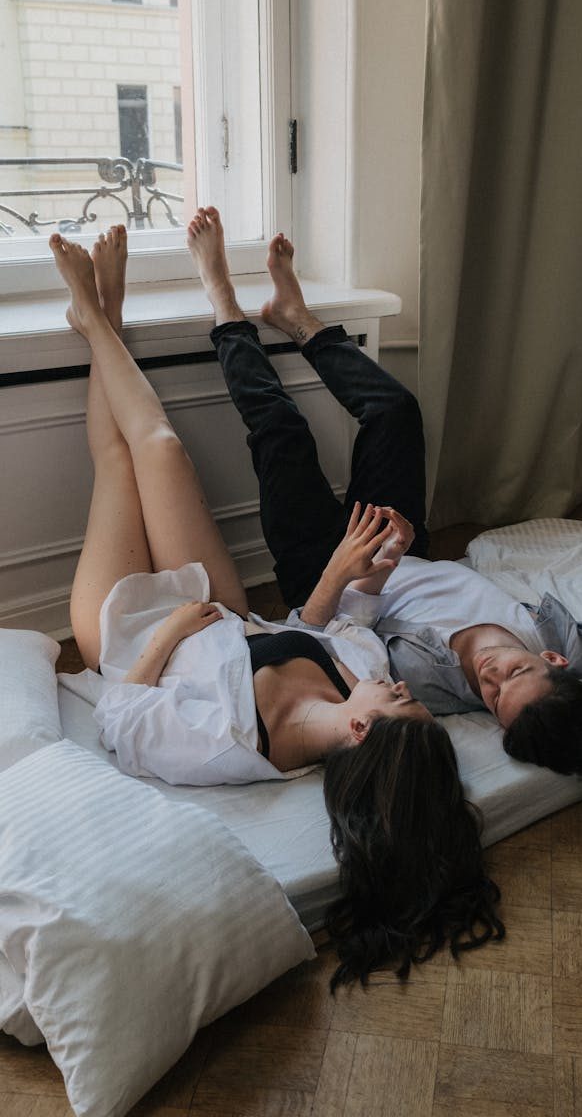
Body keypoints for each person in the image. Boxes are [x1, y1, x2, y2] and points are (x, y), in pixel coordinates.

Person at [53, 222, 504, 986]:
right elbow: (311, 629)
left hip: (126, 630)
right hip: (219, 603)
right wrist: (369, 562)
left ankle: (96, 317)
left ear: (362, 728)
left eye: (402, 705)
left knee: (121, 462)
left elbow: (119, 721)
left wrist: (163, 634)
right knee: (157, 447)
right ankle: (106, 317)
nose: (402, 687)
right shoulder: (354, 681)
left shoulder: (227, 748)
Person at [189, 208, 582, 791]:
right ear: (555, 662)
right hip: (400, 539)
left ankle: (224, 305)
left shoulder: (427, 685)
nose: (489, 675)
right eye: (514, 671)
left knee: (283, 432)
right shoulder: (569, 642)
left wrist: (357, 571)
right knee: (396, 412)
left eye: (492, 698)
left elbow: (329, 642)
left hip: (331, 576)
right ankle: (299, 320)